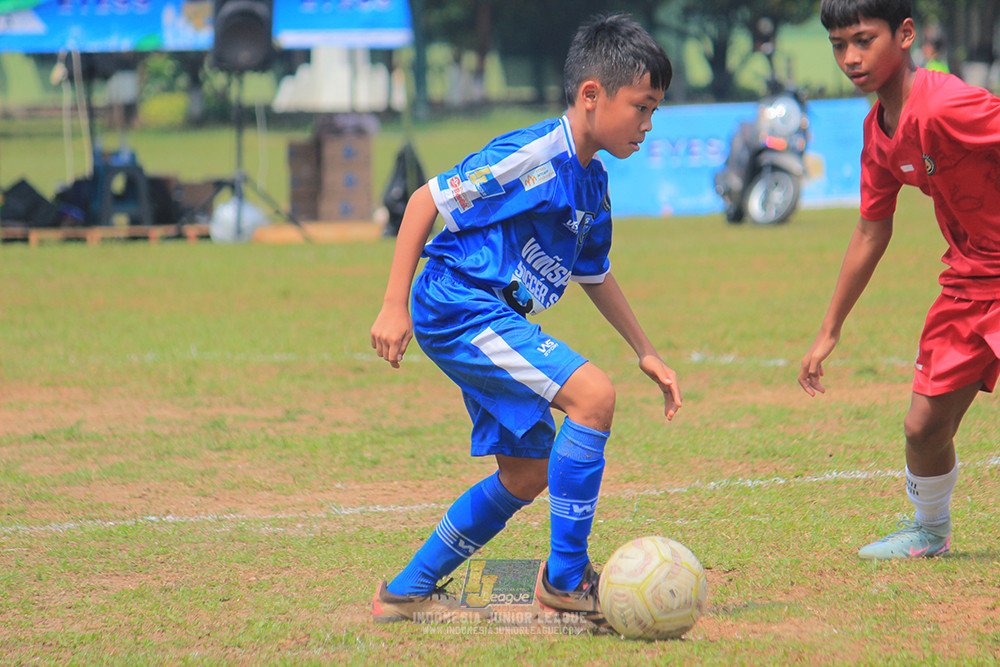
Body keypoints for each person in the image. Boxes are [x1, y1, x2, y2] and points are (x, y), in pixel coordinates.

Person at [369, 14, 679, 624]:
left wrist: (644, 348)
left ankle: (405, 592)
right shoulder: (534, 155)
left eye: (654, 112)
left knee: (527, 473)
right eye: (641, 108)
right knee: (594, 396)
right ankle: (565, 580)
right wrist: (392, 304)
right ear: (591, 95)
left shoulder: (592, 183)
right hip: (458, 303)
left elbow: (594, 272)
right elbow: (425, 200)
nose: (647, 125)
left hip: (488, 314)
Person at [800, 0, 1000, 560]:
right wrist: (830, 329)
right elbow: (871, 230)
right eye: (839, 45)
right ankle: (930, 532)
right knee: (923, 427)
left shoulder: (946, 104)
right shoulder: (879, 132)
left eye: (864, 40)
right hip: (971, 281)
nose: (850, 57)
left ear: (905, 34)